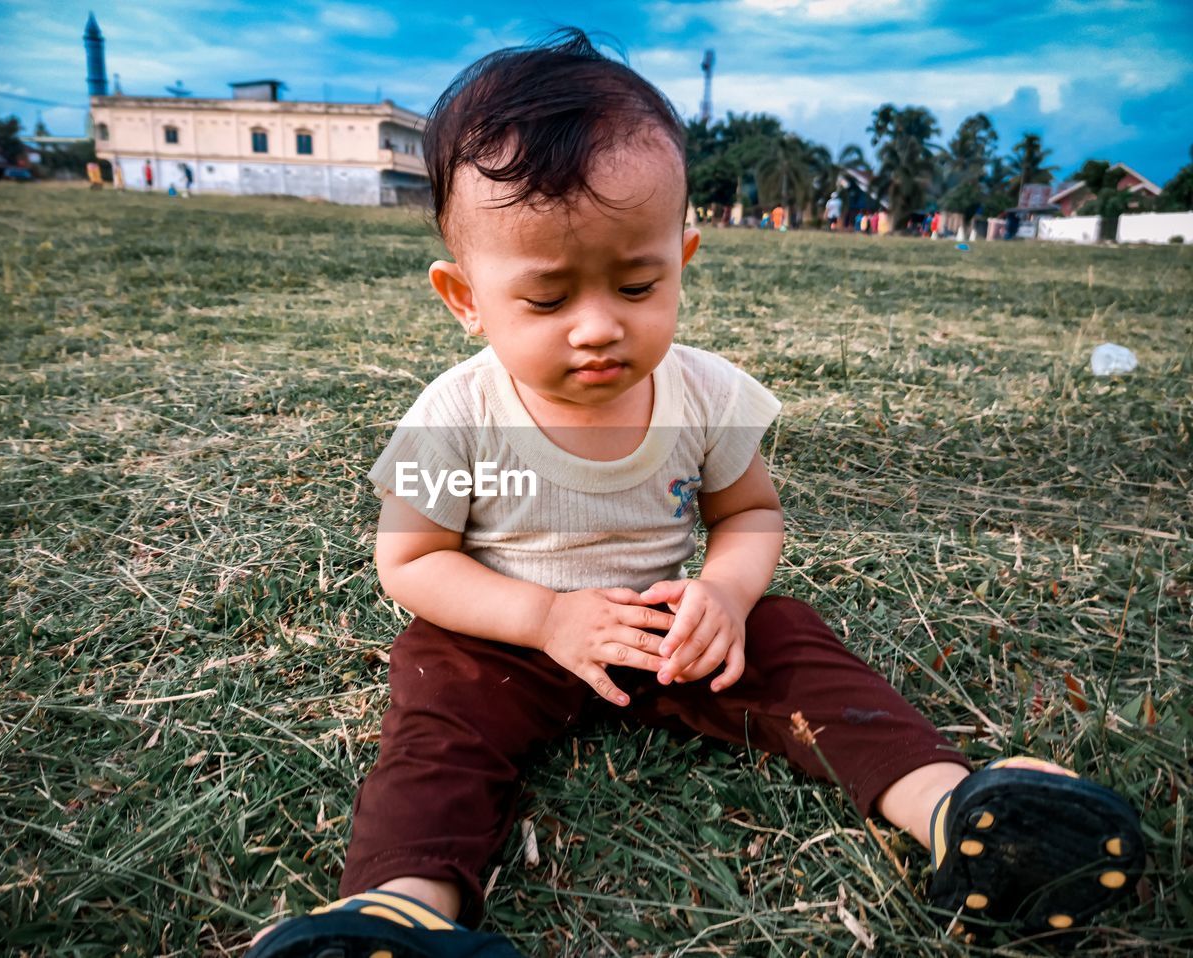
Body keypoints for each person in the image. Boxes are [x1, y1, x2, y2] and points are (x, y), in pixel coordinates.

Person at [247, 30, 1144, 958]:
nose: (599, 328)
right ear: (464, 298)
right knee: (436, 704)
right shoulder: (455, 411)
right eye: (548, 302)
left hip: (673, 633)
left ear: (683, 257)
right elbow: (415, 560)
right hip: (509, 638)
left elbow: (747, 514)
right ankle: (402, 908)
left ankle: (953, 810)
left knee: (791, 639)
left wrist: (723, 594)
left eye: (637, 283)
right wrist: (548, 620)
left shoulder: (706, 394)